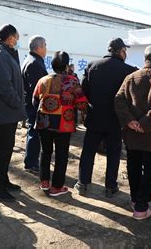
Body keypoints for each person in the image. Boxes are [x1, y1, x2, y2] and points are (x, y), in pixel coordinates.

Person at [114, 45, 151, 220]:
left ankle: (135, 199)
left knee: (133, 166)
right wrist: (145, 123)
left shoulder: (131, 78)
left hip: (133, 134)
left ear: (145, 58)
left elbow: (118, 100)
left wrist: (132, 122)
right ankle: (141, 206)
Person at [75, 38, 137, 197]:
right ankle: (110, 186)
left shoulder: (92, 66)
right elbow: (131, 97)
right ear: (121, 51)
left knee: (88, 152)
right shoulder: (129, 70)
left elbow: (85, 91)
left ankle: (82, 183)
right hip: (115, 120)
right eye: (125, 51)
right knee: (113, 153)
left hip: (95, 117)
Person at [33, 51, 87, 196]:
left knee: (45, 152)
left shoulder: (43, 80)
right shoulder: (72, 81)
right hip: (64, 123)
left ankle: (44, 182)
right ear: (66, 65)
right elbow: (81, 103)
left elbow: (35, 101)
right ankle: (57, 187)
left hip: (44, 122)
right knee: (61, 155)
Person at [0, 24, 26, 201]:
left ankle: (3, 180)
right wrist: (17, 103)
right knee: (2, 150)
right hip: (4, 111)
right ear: (10, 37)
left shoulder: (6, 54)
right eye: (17, 37)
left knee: (7, 149)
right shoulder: (0, 55)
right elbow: (3, 86)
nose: (17, 41)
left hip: (8, 111)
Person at [21, 35, 48, 174]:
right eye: (45, 46)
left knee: (34, 131)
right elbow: (37, 89)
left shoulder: (33, 60)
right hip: (35, 105)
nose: (46, 49)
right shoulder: (34, 63)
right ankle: (31, 163)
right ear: (39, 48)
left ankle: (31, 161)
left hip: (32, 104)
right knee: (35, 132)